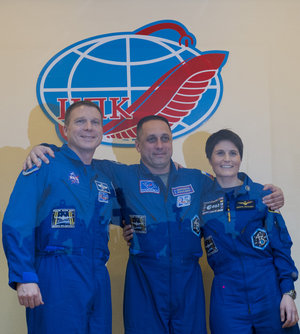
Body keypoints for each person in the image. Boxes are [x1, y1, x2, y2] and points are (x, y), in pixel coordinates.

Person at [23, 116, 285, 334]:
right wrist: (47, 149)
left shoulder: (196, 179)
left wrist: (267, 192)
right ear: (137, 145)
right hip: (144, 280)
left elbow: (230, 186)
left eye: (165, 138)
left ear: (172, 142)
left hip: (188, 280)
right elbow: (80, 156)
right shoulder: (121, 175)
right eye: (151, 139)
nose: (159, 145)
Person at [2, 101, 119, 334]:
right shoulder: (44, 163)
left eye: (95, 122)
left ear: (102, 130)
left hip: (97, 275)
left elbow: (132, 211)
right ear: (64, 129)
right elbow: (17, 222)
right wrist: (24, 277)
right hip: (56, 274)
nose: (89, 127)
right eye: (80, 121)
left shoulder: (105, 177)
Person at [200, 129, 299, 333]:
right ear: (209, 158)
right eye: (220, 153)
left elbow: (281, 246)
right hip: (227, 295)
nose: (227, 159)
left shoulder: (262, 195)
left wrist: (288, 293)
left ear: (240, 157)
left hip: (267, 290)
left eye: (233, 153)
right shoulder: (200, 201)